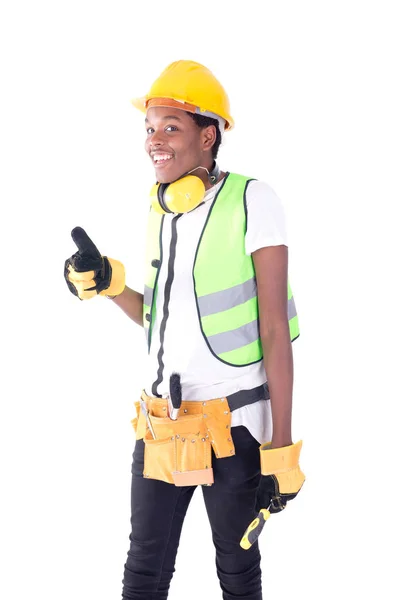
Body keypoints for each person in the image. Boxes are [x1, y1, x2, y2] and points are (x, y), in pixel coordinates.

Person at [64, 60, 305, 600]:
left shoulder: (252, 200)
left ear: (208, 134)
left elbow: (273, 330)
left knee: (237, 571)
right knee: (144, 570)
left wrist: (281, 447)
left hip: (234, 425)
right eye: (149, 128)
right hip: (162, 423)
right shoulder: (161, 207)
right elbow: (159, 321)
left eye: (171, 126)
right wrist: (109, 284)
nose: (155, 140)